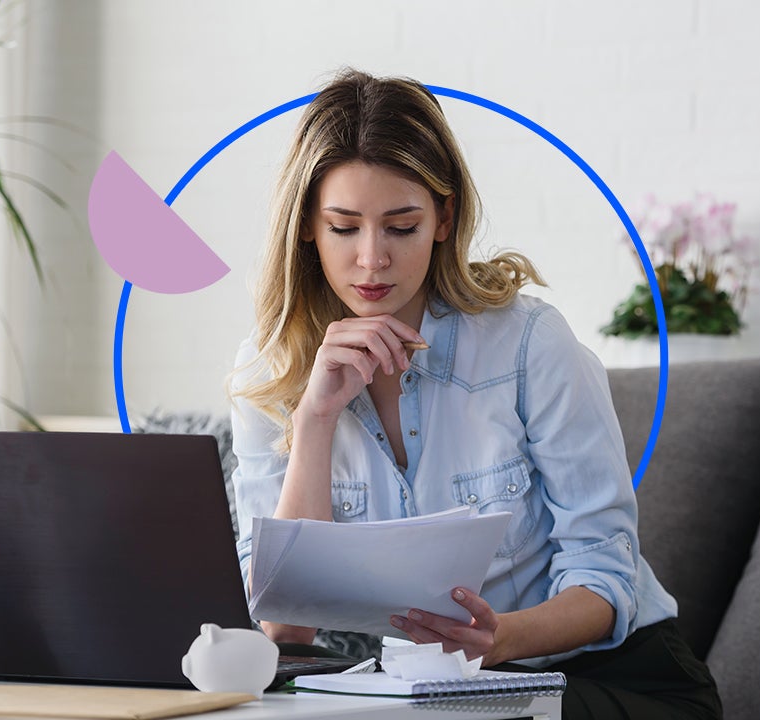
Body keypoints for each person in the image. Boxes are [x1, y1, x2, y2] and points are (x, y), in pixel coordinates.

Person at [228, 68, 721, 720]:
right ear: (308, 229)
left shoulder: (530, 345)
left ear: (444, 217)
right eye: (344, 228)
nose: (371, 259)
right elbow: (283, 628)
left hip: (603, 679)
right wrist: (315, 422)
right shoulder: (271, 370)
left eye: (400, 226)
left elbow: (604, 573)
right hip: (417, 693)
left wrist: (499, 639)